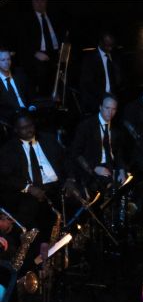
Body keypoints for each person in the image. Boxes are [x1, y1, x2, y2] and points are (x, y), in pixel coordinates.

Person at [0, 109, 65, 243]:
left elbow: (65, 160)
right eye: (23, 128)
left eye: (30, 126)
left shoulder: (48, 139)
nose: (29, 130)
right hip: (29, 192)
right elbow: (6, 178)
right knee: (29, 213)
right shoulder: (8, 149)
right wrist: (28, 188)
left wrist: (71, 179)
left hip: (55, 187)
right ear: (16, 130)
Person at [67, 92, 126, 194]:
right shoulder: (86, 126)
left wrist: (121, 170)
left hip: (112, 167)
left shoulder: (117, 126)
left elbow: (118, 152)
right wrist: (94, 167)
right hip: (92, 168)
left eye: (113, 109)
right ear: (100, 107)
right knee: (111, 189)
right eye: (107, 108)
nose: (110, 112)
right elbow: (75, 153)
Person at [18, 0, 65, 96]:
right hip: (38, 53)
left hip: (56, 52)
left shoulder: (54, 16)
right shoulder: (27, 19)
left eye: (42, 1)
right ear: (32, 2)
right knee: (42, 71)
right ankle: (44, 99)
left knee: (66, 68)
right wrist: (35, 53)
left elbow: (62, 34)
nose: (40, 4)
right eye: (37, 1)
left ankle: (62, 99)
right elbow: (22, 41)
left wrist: (62, 47)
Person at [79, 31, 122, 115]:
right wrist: (103, 95)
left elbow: (118, 77)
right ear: (100, 43)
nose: (110, 48)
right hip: (96, 100)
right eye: (107, 45)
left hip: (112, 98)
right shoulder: (90, 58)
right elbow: (87, 82)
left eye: (111, 45)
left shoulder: (114, 56)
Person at [0, 48, 34, 123]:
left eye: (8, 59)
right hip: (10, 119)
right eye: (3, 60)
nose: (7, 62)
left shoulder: (19, 76)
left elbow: (30, 95)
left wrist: (32, 106)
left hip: (28, 113)